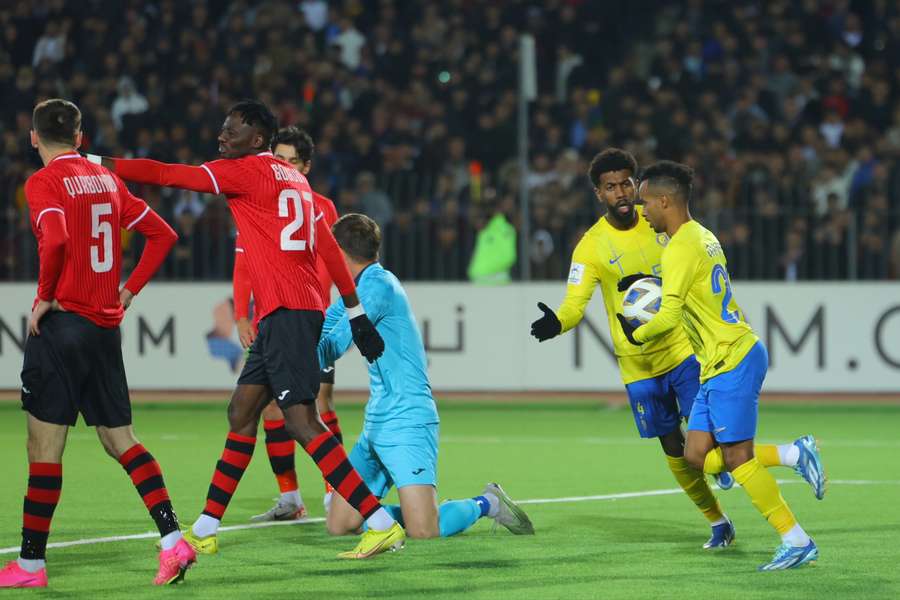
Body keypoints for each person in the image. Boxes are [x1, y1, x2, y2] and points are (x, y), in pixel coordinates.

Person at [90, 99, 405, 559]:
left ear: (256, 138)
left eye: (230, 130)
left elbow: (167, 174)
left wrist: (100, 162)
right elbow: (332, 253)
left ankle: (377, 521)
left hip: (289, 313)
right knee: (241, 411)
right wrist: (353, 311)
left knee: (302, 421)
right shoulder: (297, 180)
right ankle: (205, 527)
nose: (222, 137)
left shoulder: (248, 172)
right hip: (287, 314)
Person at [530, 149, 820, 551]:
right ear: (598, 193)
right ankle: (718, 522)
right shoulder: (591, 246)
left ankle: (769, 476)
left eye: (627, 183)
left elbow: (690, 271)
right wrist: (558, 322)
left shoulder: (661, 224)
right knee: (676, 451)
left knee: (710, 448)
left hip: (683, 352)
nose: (623, 193)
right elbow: (575, 303)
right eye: (611, 186)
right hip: (639, 367)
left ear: (638, 185)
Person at [0, 99, 191, 588]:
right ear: (81, 138)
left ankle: (30, 565)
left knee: (44, 446)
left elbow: (58, 239)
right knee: (120, 440)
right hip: (105, 330)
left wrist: (44, 298)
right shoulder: (108, 180)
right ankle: (173, 541)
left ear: (33, 137)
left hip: (63, 330)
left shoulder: (43, 182)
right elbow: (162, 233)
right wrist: (127, 291)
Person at [618, 160, 826, 571]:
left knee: (736, 458)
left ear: (665, 201)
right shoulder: (703, 236)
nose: (641, 211)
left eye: (644, 203)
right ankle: (791, 453)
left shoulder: (679, 247)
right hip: (716, 363)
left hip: (732, 357)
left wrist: (635, 333)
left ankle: (795, 538)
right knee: (696, 453)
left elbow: (669, 316)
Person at [320, 214, 534, 539]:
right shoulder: (357, 288)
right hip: (377, 420)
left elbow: (333, 344)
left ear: (339, 253)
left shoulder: (377, 286)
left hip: (408, 419)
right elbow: (323, 331)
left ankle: (486, 502)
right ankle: (406, 513)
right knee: (340, 525)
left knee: (425, 531)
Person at [233, 126, 344, 522]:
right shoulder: (260, 204)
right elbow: (243, 262)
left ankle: (336, 495)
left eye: (291, 161)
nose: (282, 167)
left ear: (307, 166)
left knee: (318, 402)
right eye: (277, 159)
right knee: (269, 410)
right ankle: (290, 498)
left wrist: (325, 315)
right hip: (271, 318)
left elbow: (329, 264)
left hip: (309, 318)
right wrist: (242, 314)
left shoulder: (321, 206)